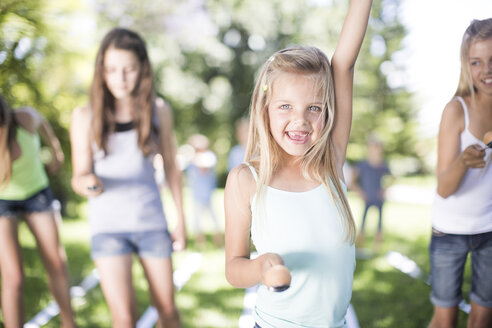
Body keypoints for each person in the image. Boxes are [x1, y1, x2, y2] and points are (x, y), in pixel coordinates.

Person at [224, 0, 372, 327]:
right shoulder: (246, 178)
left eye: (314, 108)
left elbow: (343, 64)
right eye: (286, 106)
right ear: (265, 108)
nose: (300, 120)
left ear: (328, 112)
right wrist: (262, 267)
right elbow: (234, 267)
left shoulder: (330, 160)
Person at [70, 28, 186, 328]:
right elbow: (79, 175)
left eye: (129, 69)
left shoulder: (159, 110)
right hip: (108, 229)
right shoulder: (84, 116)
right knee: (123, 319)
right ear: (101, 71)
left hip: (152, 223)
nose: (120, 79)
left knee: (169, 311)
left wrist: (181, 221)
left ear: (143, 69)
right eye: (111, 70)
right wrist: (89, 183)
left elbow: (172, 167)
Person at [429, 18, 492, 328]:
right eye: (476, 62)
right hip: (449, 231)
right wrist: (464, 162)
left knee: (481, 321)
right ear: (466, 65)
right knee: (445, 321)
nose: (486, 70)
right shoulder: (456, 110)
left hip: (490, 228)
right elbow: (443, 188)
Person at [0, 95, 76, 328]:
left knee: (56, 263)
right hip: (3, 201)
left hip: (37, 193)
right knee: (13, 278)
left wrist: (56, 150)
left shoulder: (23, 118)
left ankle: (69, 323)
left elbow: (42, 121)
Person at [351, 135, 391, 250]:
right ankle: (359, 245)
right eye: (372, 148)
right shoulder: (363, 164)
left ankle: (377, 247)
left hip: (379, 198)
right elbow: (353, 179)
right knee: (363, 221)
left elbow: (392, 177)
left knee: (379, 223)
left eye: (377, 148)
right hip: (367, 197)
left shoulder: (382, 164)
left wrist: (384, 189)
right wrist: (359, 191)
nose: (375, 150)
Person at [186, 134, 222, 246]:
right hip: (196, 195)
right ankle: (200, 244)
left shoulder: (209, 157)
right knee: (196, 222)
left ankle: (219, 242)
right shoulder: (192, 159)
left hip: (207, 195)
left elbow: (203, 168)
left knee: (214, 220)